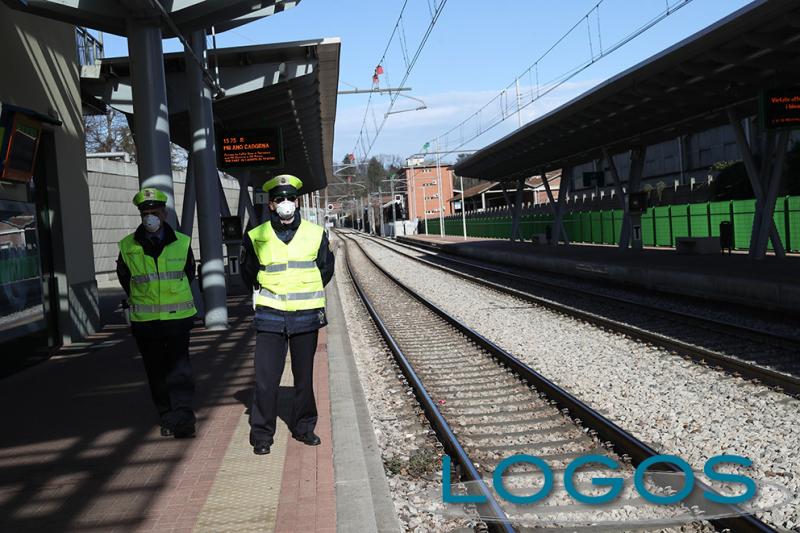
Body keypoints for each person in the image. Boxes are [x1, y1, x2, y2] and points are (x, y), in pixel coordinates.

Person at [240, 174, 334, 455]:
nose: (285, 204)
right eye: (279, 199)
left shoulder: (316, 234)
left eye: (290, 198)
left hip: (306, 316)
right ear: (270, 204)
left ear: (298, 202)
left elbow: (326, 269)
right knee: (266, 379)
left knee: (303, 378)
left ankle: (305, 428)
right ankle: (262, 434)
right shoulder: (256, 237)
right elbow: (248, 273)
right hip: (270, 316)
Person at [116, 188, 198, 439]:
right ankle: (167, 416)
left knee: (180, 370)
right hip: (146, 322)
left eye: (154, 212)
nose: (150, 216)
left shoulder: (182, 242)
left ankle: (183, 419)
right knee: (156, 371)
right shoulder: (127, 246)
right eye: (145, 212)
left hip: (177, 319)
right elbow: (125, 278)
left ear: (164, 213)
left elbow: (189, 273)